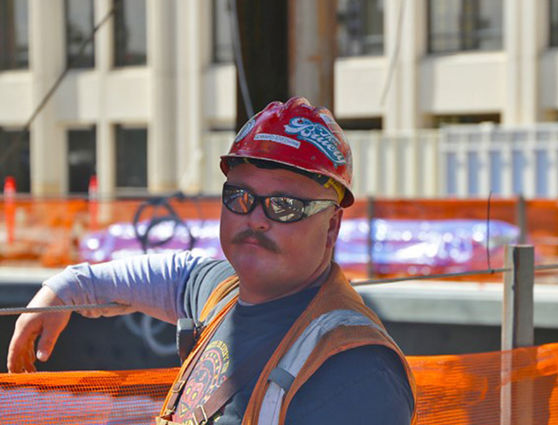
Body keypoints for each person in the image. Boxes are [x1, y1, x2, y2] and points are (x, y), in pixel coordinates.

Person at [6, 97, 416, 425]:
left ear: (331, 227)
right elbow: (176, 275)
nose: (255, 219)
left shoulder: (356, 371)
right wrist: (70, 288)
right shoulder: (225, 294)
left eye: (285, 206)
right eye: (239, 197)